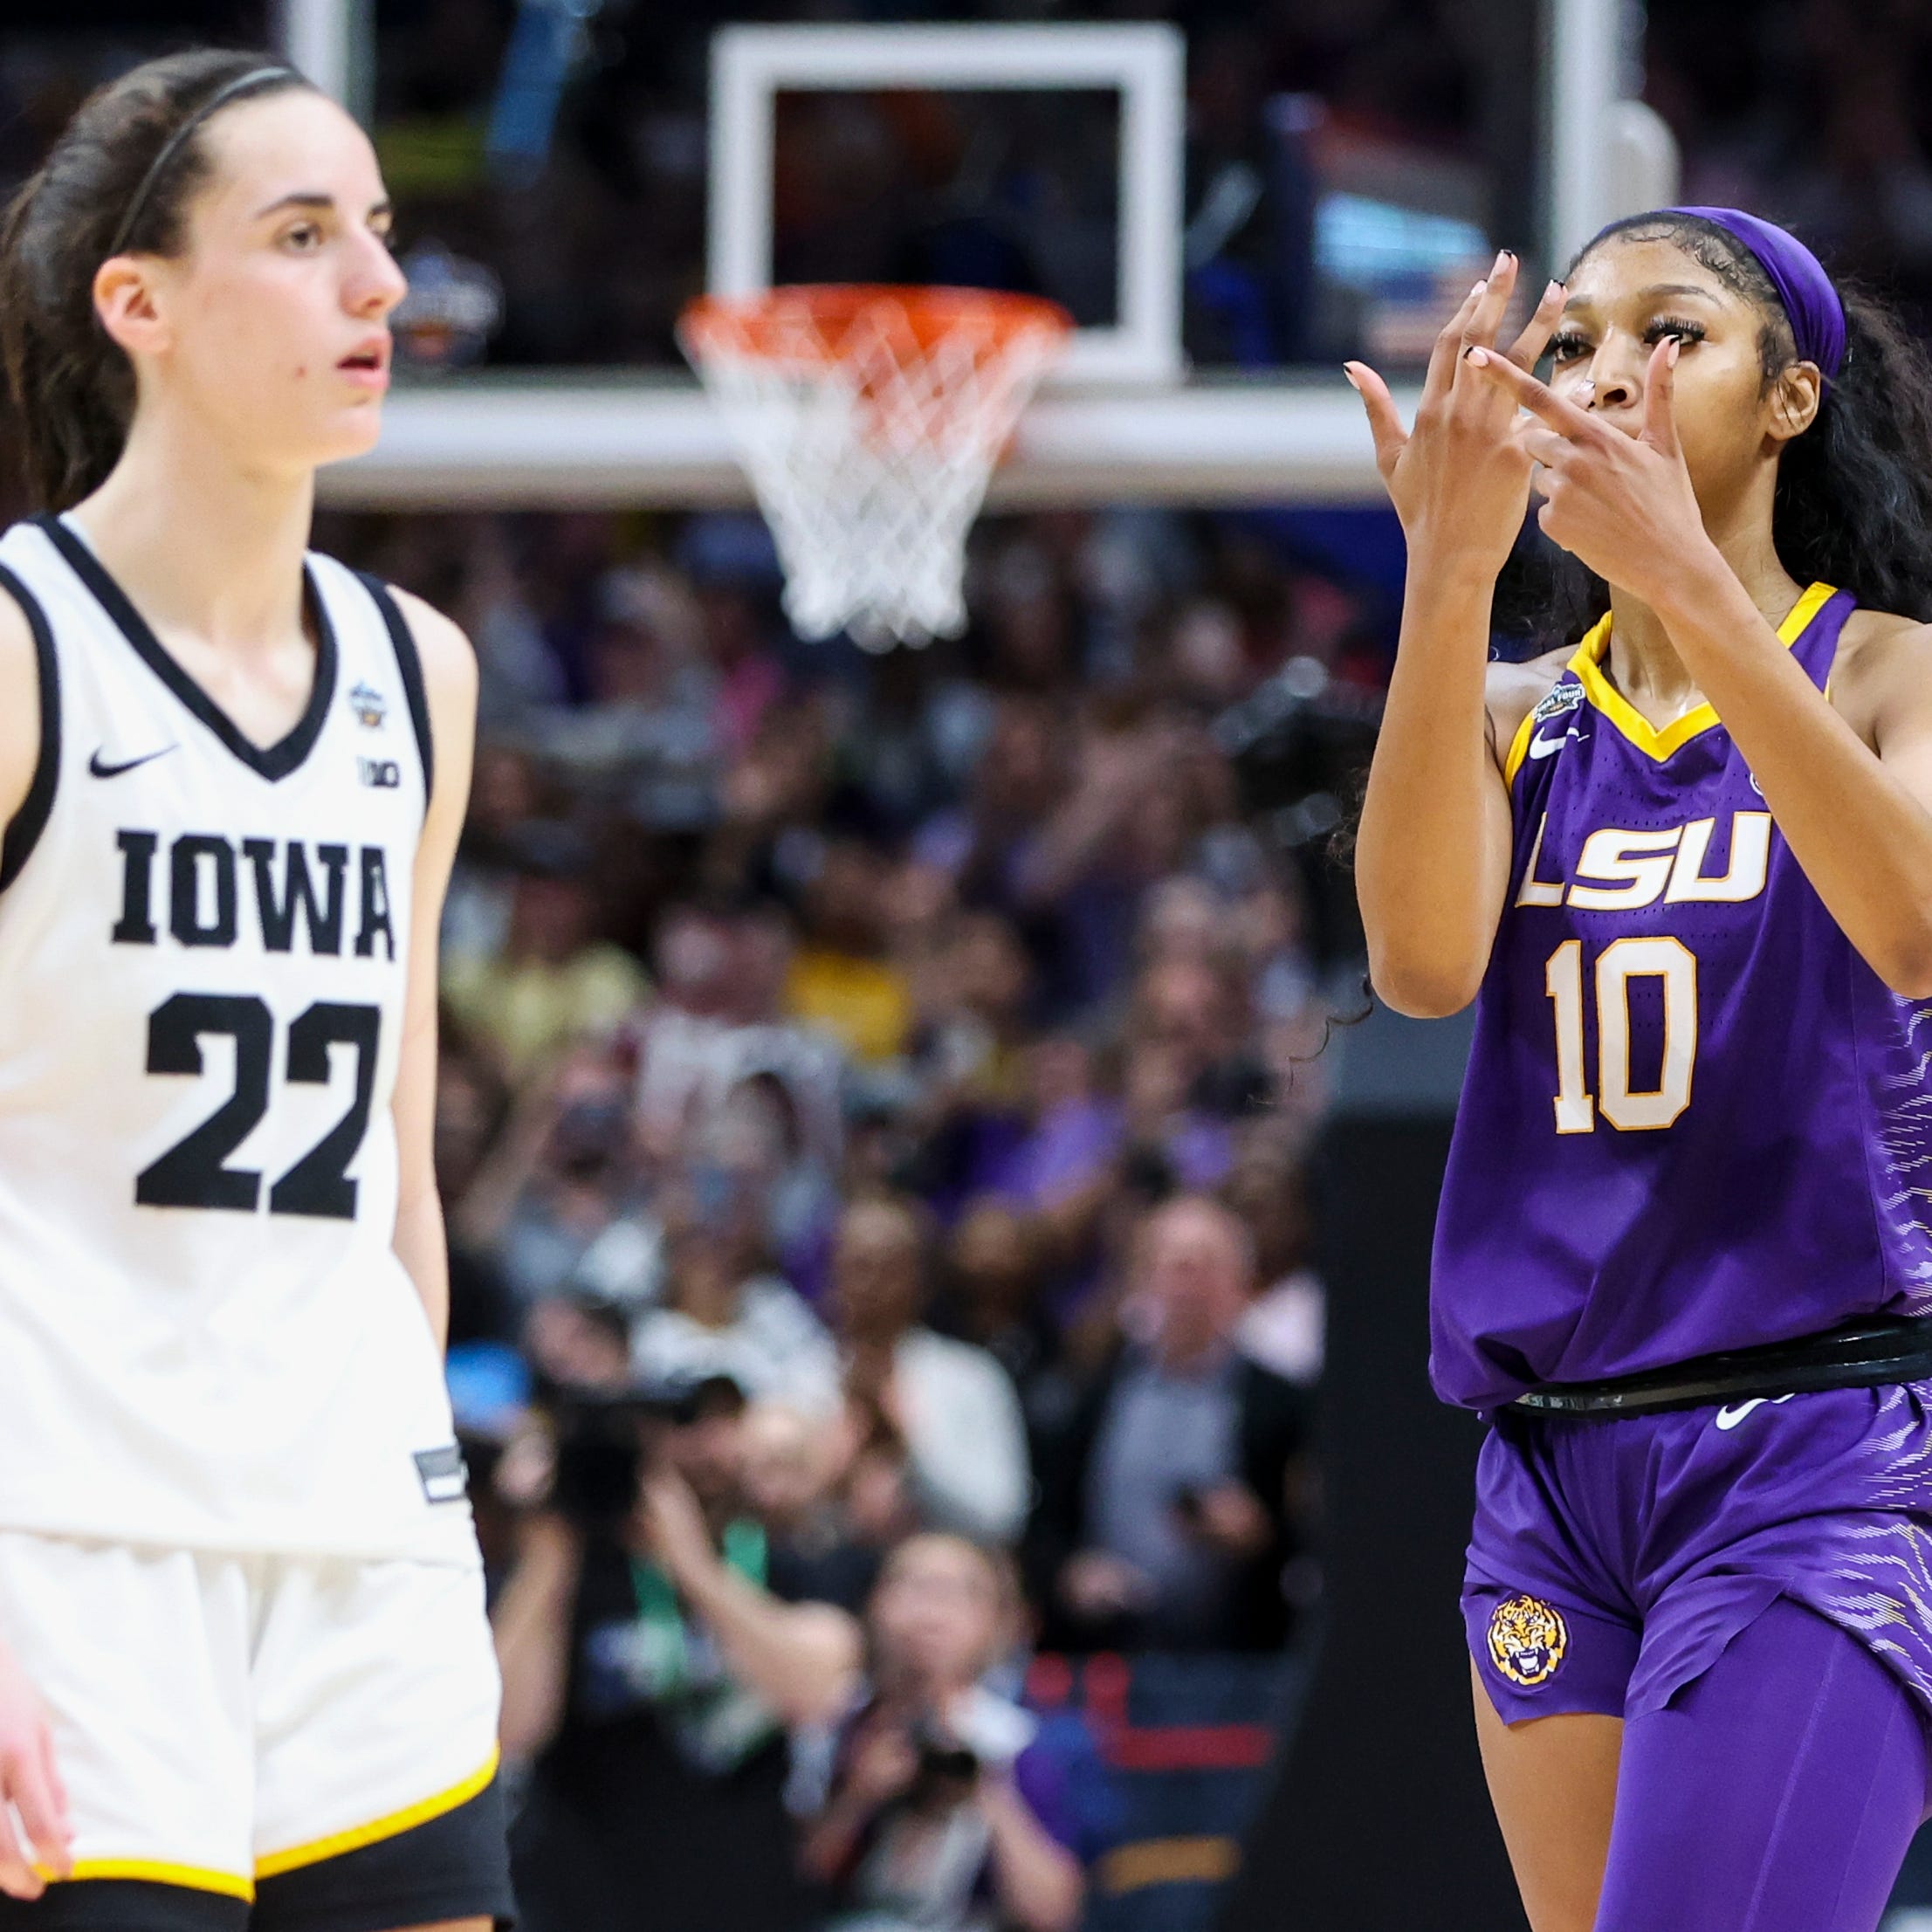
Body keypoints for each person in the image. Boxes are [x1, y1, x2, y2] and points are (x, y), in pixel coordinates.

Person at [1350, 210, 1932, 1931]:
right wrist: (1442, 574)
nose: (1605, 365)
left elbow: (1907, 927)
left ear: (1787, 401)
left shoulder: (1895, 669)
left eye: (1668, 332)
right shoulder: (1514, 711)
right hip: (1549, 1468)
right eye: (1574, 337)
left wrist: (1679, 573)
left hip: (1818, 1434)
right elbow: (1418, 964)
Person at [0, 48, 511, 1931]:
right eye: (301, 237)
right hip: (62, 1542)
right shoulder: (20, 647)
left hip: (359, 1544)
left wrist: (430, 1492)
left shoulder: (419, 674)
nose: (378, 284)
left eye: (376, 233)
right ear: (136, 304)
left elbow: (399, 1152)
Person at [492, 1372, 862, 1932]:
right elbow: (504, 1729)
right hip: (583, 1903)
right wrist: (550, 1555)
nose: (703, 1446)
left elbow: (816, 1693)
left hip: (745, 1903)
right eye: (680, 1425)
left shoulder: (796, 1561)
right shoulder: (563, 1574)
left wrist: (692, 1568)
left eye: (721, 1423)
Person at [1026, 1194, 1310, 1652]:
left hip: (1241, 1662)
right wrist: (1071, 1572)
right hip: (1107, 1656)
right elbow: (1046, 1519)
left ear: (1242, 1282)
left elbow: (1314, 1540)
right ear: (1142, 1280)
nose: (1190, 1283)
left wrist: (1261, 1536)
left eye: (1207, 1264)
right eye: (1175, 1265)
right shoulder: (1091, 1391)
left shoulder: (1285, 1404)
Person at [799, 1534, 1107, 1932]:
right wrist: (858, 1796)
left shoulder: (1029, 1742)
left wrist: (982, 1784)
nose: (931, 1611)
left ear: (1000, 1622)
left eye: (959, 1593)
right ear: (872, 1604)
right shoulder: (833, 1721)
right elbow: (792, 1885)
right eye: (912, 1585)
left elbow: (1053, 1912)